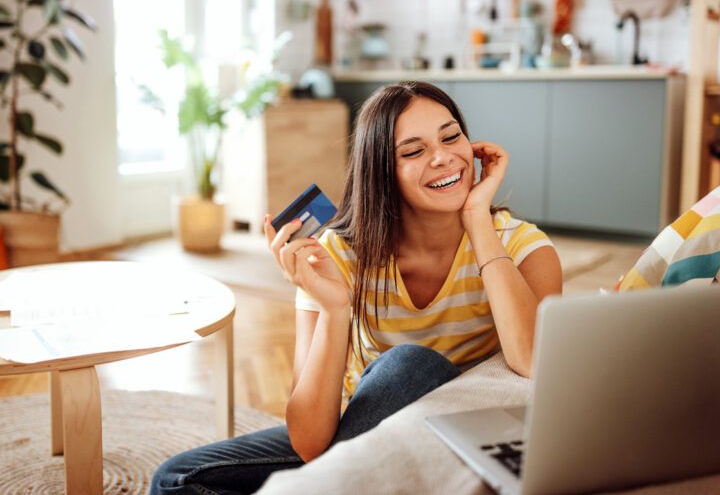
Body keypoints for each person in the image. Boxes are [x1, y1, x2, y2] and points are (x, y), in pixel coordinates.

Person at [149, 81, 563, 495]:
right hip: (361, 432)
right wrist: (333, 308)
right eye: (414, 151)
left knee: (413, 367)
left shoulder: (521, 247)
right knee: (174, 480)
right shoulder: (339, 255)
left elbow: (534, 362)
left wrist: (477, 220)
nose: (442, 157)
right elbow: (310, 442)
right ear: (381, 171)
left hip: (463, 442)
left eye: (451, 136)